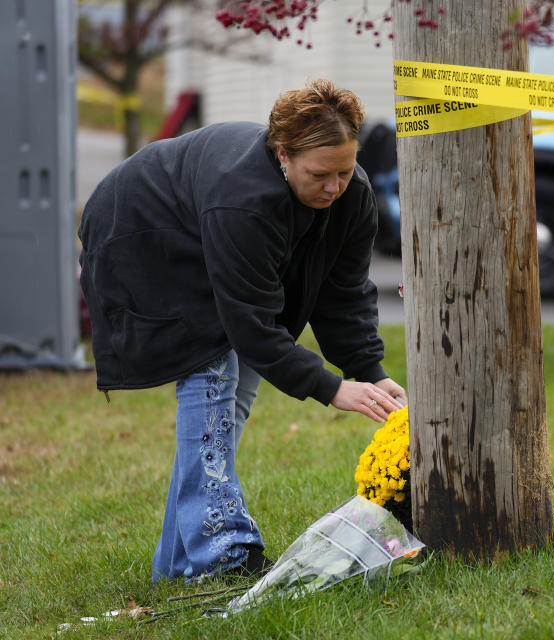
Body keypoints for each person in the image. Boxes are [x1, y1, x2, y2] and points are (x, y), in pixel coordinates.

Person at [78, 78, 406, 581]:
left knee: (233, 404)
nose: (334, 187)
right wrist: (330, 387)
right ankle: (222, 557)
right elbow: (249, 322)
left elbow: (342, 291)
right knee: (214, 377)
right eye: (320, 174)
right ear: (282, 155)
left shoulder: (351, 194)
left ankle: (177, 562)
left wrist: (368, 370)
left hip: (207, 228)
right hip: (144, 233)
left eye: (344, 170)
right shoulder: (244, 200)